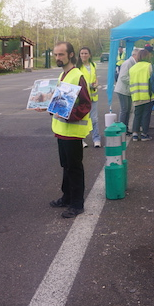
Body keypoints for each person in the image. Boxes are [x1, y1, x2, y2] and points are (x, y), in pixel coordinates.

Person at [37, 42, 92, 219]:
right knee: (66, 166)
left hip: (73, 131)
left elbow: (86, 104)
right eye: (55, 55)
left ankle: (77, 204)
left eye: (61, 55)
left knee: (74, 168)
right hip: (61, 129)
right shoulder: (63, 75)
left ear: (70, 55)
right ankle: (67, 197)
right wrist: (47, 106)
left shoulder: (78, 76)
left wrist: (69, 114)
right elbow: (59, 101)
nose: (57, 58)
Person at [114, 45, 153, 135]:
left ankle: (125, 128)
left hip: (128, 90)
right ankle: (123, 129)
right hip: (123, 90)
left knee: (128, 110)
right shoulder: (128, 63)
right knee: (125, 110)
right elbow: (123, 77)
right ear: (135, 55)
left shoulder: (133, 63)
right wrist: (135, 81)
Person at [128, 46, 154, 142]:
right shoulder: (150, 67)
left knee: (137, 114)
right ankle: (144, 134)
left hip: (136, 95)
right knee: (146, 115)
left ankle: (135, 134)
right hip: (148, 95)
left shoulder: (132, 68)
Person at [77, 47, 101, 148]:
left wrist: (96, 84)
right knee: (82, 119)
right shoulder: (77, 67)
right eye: (82, 53)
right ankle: (81, 140)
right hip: (82, 97)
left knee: (94, 119)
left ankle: (96, 139)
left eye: (86, 53)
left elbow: (95, 78)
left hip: (93, 97)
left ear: (90, 55)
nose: (84, 55)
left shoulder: (93, 65)